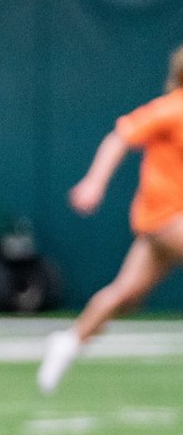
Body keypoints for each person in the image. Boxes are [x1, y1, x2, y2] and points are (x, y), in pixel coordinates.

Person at [38, 45, 183, 394]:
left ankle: (70, 340)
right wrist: (94, 183)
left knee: (125, 295)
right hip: (166, 218)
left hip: (162, 226)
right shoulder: (172, 108)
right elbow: (119, 138)